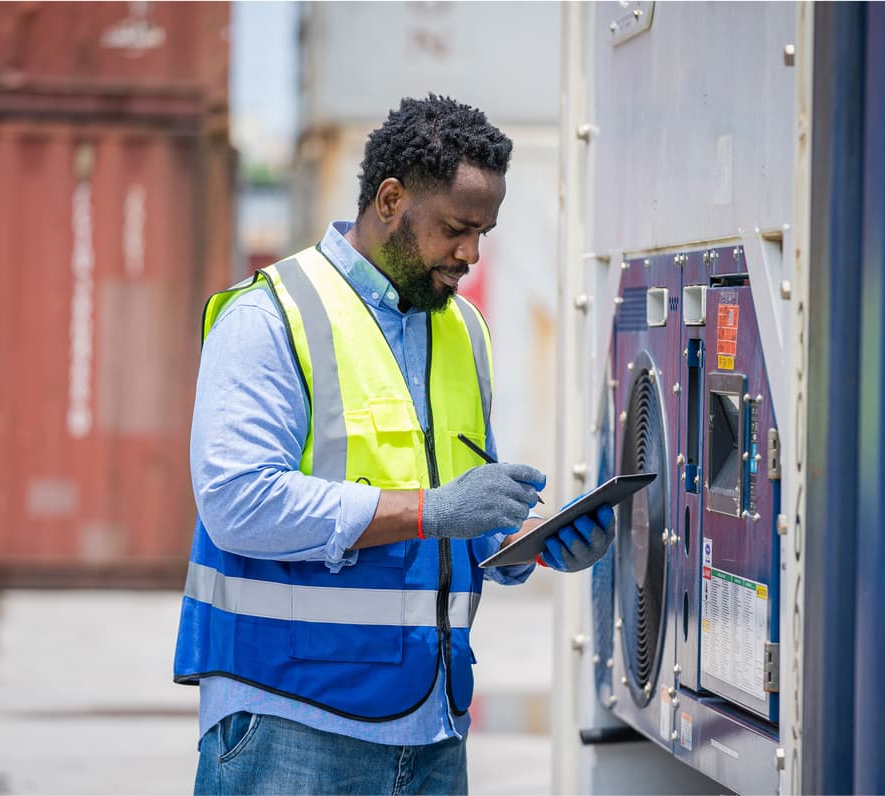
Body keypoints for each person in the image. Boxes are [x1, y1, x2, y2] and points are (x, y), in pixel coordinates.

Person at [173, 94, 615, 795]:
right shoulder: (269, 316)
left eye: (484, 233)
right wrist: (432, 510)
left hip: (432, 727)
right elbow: (237, 502)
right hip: (288, 723)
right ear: (389, 199)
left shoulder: (463, 330)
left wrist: (530, 538)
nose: (471, 253)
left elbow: (456, 520)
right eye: (456, 229)